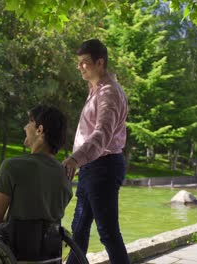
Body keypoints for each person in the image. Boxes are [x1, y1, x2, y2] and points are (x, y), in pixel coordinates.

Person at [0, 105, 72, 261]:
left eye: (30, 122)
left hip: (15, 255)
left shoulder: (13, 166)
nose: (24, 127)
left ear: (39, 130)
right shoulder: (64, 174)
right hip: (50, 255)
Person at [62, 39, 129, 264]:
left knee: (108, 233)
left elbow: (102, 135)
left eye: (85, 63)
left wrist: (74, 159)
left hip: (103, 166)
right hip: (92, 166)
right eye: (78, 62)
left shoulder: (108, 93)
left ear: (100, 63)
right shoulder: (96, 90)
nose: (80, 67)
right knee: (79, 228)